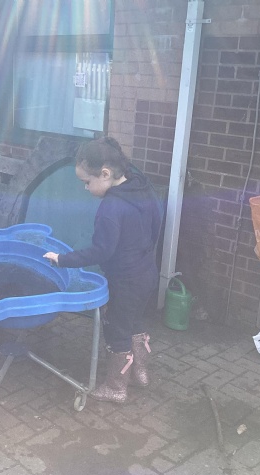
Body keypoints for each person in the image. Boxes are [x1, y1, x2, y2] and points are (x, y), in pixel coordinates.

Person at [43, 137, 162, 403]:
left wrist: (62, 259)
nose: (85, 188)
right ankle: (141, 373)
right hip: (147, 273)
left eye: (87, 181)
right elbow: (156, 226)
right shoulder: (142, 187)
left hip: (125, 280)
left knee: (117, 330)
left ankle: (116, 388)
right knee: (135, 322)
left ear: (105, 174)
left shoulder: (111, 208)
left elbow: (101, 252)